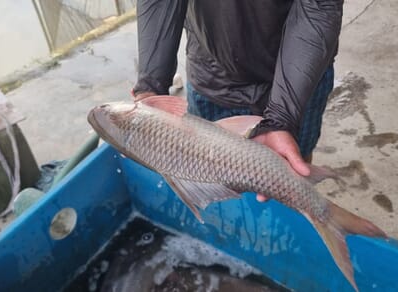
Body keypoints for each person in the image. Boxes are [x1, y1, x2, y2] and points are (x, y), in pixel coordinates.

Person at [132, 1, 342, 200]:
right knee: (208, 178)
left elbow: (318, 5)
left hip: (301, 77)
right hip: (213, 74)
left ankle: (307, 209)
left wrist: (282, 116)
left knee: (296, 171)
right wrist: (151, 84)